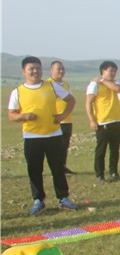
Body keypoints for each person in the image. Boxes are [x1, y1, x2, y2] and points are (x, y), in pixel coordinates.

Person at [8, 56, 79, 215]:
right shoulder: (18, 91)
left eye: (38, 68)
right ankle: (38, 200)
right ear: (24, 71)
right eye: (31, 69)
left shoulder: (51, 86)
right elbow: (11, 115)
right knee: (34, 170)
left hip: (54, 135)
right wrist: (23, 116)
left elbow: (71, 100)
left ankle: (63, 198)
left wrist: (62, 115)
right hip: (32, 137)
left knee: (58, 169)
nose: (35, 71)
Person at [85, 61, 120, 182]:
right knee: (101, 149)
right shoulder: (94, 85)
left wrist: (102, 81)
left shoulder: (115, 82)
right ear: (103, 71)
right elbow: (88, 103)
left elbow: (117, 89)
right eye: (110, 71)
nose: (113, 73)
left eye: (115, 71)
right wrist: (92, 120)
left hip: (116, 120)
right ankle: (99, 174)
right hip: (103, 122)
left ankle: (114, 172)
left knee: (115, 149)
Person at [47, 60, 76, 174]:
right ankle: (56, 168)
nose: (61, 71)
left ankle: (63, 166)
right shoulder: (48, 84)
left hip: (67, 119)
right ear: (51, 70)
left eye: (62, 69)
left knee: (65, 146)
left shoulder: (66, 84)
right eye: (58, 69)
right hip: (56, 120)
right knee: (56, 147)